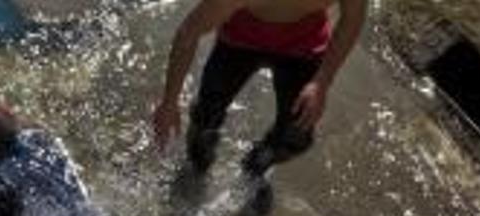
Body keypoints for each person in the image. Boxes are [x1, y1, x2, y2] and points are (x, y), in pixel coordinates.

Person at [151, 0, 366, 179]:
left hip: (304, 45)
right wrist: (169, 102)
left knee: (297, 136)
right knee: (205, 118)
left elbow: (353, 20)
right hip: (240, 38)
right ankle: (197, 168)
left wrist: (322, 81)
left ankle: (257, 164)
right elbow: (188, 33)